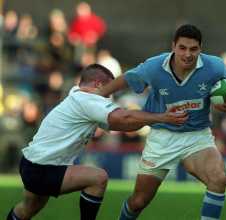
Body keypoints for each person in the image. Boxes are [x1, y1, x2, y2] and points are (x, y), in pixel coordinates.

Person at [6, 64, 188, 220]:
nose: (109, 97)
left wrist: (155, 117)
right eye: (109, 91)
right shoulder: (88, 100)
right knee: (98, 178)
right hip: (43, 168)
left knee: (26, 209)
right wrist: (162, 117)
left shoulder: (78, 99)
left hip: (31, 164)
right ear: (98, 85)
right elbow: (123, 117)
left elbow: (125, 125)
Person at [98, 24, 226, 220]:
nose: (188, 54)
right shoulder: (154, 67)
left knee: (218, 179)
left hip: (197, 136)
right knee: (139, 201)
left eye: (193, 49)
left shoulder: (214, 66)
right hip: (162, 136)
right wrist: (96, 97)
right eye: (182, 47)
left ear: (201, 48)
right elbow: (125, 80)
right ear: (173, 46)